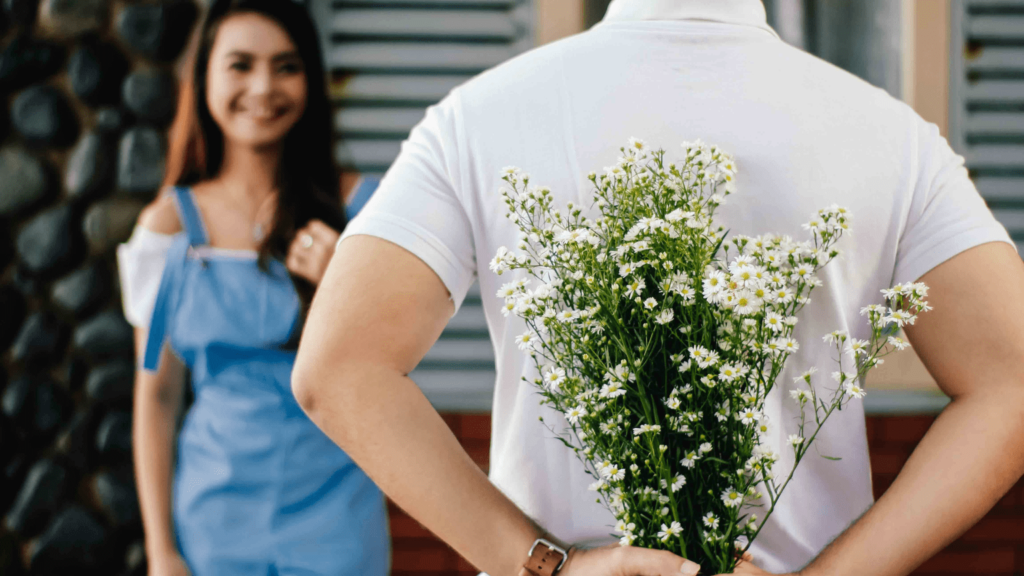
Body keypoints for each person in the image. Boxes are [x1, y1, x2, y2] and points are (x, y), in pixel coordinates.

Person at [290, 0, 1024, 575]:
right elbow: (1014, 383)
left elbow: (337, 368)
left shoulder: (477, 118)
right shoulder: (890, 134)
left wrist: (543, 565)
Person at [117, 1, 388, 574]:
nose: (263, 87)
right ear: (205, 76)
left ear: (310, 80)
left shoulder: (364, 210)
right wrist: (162, 551)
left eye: (286, 66)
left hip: (338, 513)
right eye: (241, 65)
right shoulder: (166, 227)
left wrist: (340, 284)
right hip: (211, 519)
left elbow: (396, 369)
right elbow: (157, 397)